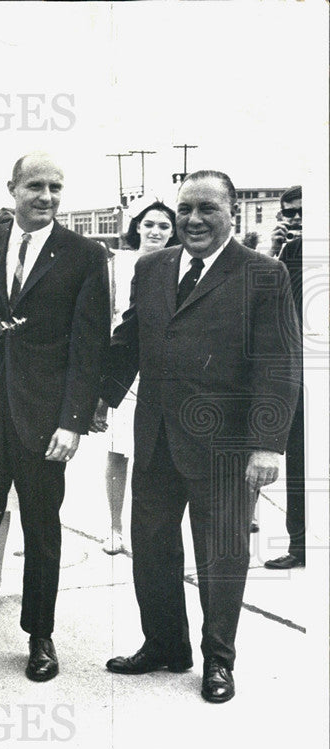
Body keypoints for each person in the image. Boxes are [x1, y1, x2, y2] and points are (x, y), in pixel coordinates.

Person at [101, 170, 301, 703]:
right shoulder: (152, 266)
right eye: (185, 208)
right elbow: (130, 339)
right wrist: (97, 398)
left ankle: (219, 660)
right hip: (158, 434)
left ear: (231, 213)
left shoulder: (264, 273)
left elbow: (278, 363)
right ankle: (165, 644)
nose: (193, 220)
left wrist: (268, 443)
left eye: (207, 209)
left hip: (226, 447)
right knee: (151, 547)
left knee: (220, 554)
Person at [0, 153, 110, 682]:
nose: (47, 196)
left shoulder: (84, 254)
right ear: (12, 189)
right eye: (36, 185)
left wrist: (73, 421)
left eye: (56, 186)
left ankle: (40, 635)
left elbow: (89, 344)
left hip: (43, 419)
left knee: (41, 529)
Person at [94, 200, 180, 555]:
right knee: (118, 451)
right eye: (149, 224)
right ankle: (114, 528)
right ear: (137, 227)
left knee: (153, 452)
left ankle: (151, 530)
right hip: (124, 363)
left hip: (159, 370)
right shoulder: (119, 264)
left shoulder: (178, 266)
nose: (156, 231)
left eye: (163, 225)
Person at [264, 185, 305, 570]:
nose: (294, 220)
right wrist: (273, 254)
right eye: (287, 214)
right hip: (299, 369)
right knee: (300, 460)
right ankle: (301, 543)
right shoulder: (289, 252)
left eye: (300, 212)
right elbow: (269, 304)